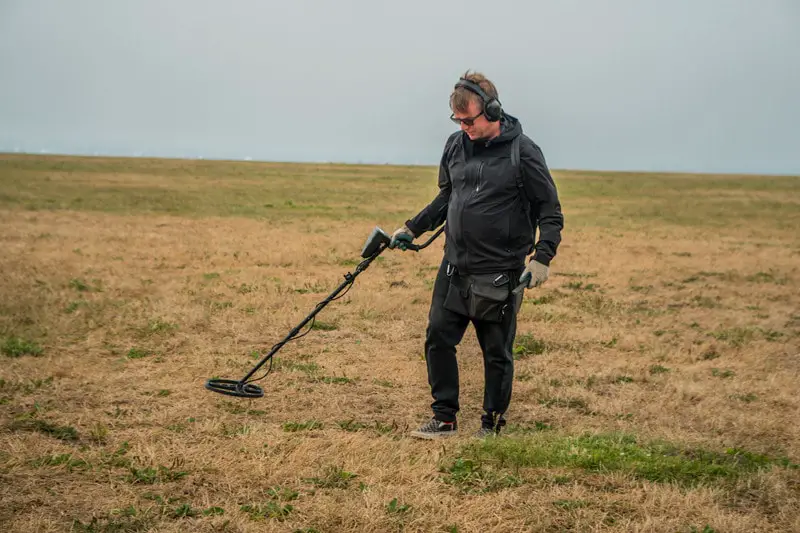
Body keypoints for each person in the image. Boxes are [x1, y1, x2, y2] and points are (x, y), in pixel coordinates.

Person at [389, 70, 564, 439]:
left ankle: (492, 422)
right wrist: (411, 228)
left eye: (470, 119)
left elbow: (550, 210)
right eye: (458, 120)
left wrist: (542, 257)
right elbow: (446, 197)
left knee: (496, 352)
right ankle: (444, 417)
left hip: (499, 273)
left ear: (494, 111)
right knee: (437, 337)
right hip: (455, 266)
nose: (464, 126)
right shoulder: (455, 145)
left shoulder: (524, 152)